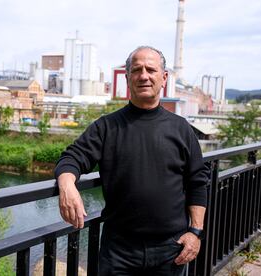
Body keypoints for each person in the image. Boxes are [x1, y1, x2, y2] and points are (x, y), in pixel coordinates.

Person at [54, 46, 208, 275]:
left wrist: (195, 233)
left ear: (163, 77)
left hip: (171, 249)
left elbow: (198, 181)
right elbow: (72, 158)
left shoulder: (181, 129)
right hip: (119, 250)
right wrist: (67, 186)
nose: (144, 76)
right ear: (127, 78)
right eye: (136, 70)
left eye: (151, 69)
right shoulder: (106, 127)